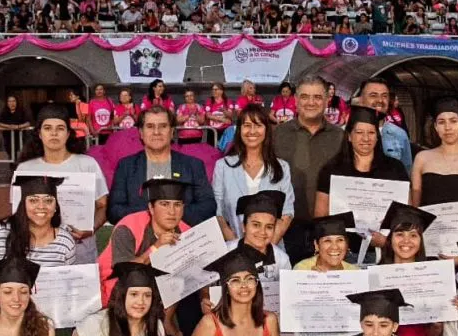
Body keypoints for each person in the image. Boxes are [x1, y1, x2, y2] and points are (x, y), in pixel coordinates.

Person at [0, 175, 77, 322]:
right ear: (23, 204)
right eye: (33, 200)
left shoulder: (65, 242)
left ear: (56, 206)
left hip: (39, 314)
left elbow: (64, 282)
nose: (41, 206)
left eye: (48, 200)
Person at [15, 103, 109, 263]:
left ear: (68, 134)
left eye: (60, 128)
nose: (54, 133)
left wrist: (91, 229)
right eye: (47, 128)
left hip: (80, 248)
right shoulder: (25, 168)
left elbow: (102, 205)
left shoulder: (87, 164)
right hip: (38, 252)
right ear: (39, 133)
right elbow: (17, 212)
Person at [98, 178, 190, 336]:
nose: (172, 211)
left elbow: (195, 274)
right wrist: (155, 248)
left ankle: (167, 323)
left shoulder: (186, 232)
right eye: (164, 204)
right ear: (151, 208)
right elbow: (123, 272)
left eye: (177, 204)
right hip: (116, 290)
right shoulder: (128, 226)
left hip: (159, 296)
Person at [314, 105, 408, 258]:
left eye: (371, 132)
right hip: (341, 254)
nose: (366, 138)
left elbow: (406, 213)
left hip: (387, 252)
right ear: (349, 136)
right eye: (359, 132)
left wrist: (387, 241)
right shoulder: (332, 170)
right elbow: (320, 215)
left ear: (377, 137)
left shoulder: (395, 169)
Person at [273, 76, 345, 264]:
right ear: (295, 100)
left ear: (327, 100)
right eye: (305, 97)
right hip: (286, 230)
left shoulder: (341, 137)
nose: (311, 103)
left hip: (329, 233)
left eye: (317, 97)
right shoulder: (277, 135)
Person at [107, 105, 215, 226]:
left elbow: (208, 207)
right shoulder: (126, 166)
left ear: (172, 131)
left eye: (163, 126)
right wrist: (154, 216)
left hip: (182, 239)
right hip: (140, 241)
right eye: (150, 126)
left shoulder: (193, 165)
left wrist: (171, 216)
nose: (156, 132)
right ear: (141, 133)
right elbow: (114, 211)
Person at [377, 202, 444, 336]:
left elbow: (433, 334)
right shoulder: (376, 275)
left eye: (413, 235)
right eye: (399, 234)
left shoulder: (434, 275)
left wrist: (441, 319)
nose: (406, 241)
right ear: (390, 239)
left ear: (421, 241)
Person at [212, 104, 294, 242]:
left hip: (272, 250)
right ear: (239, 130)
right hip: (234, 250)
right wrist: (238, 249)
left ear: (266, 130)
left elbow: (287, 213)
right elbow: (218, 213)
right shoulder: (223, 166)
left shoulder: (282, 167)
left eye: (258, 125)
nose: (252, 131)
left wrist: (266, 248)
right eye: (247, 125)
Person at [411, 97, 458, 207]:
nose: (447, 127)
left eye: (453, 121)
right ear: (436, 126)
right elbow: (415, 205)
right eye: (441, 122)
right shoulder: (422, 158)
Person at [354, 78, 412, 173]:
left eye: (384, 96)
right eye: (373, 95)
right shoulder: (343, 134)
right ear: (360, 100)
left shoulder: (399, 134)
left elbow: (406, 173)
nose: (380, 100)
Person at [293, 212, 359, 271]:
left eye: (340, 240)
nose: (335, 247)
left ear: (347, 245)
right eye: (327, 241)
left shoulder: (354, 272)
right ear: (316, 245)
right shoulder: (302, 269)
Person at [0, 94, 32, 159]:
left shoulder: (22, 110)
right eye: (9, 101)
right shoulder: (4, 111)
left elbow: (28, 123)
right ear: (7, 103)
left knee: (22, 152)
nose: (12, 103)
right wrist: (9, 126)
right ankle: (12, 166)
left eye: (13, 101)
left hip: (20, 136)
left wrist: (18, 126)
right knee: (10, 153)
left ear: (16, 102)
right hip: (8, 136)